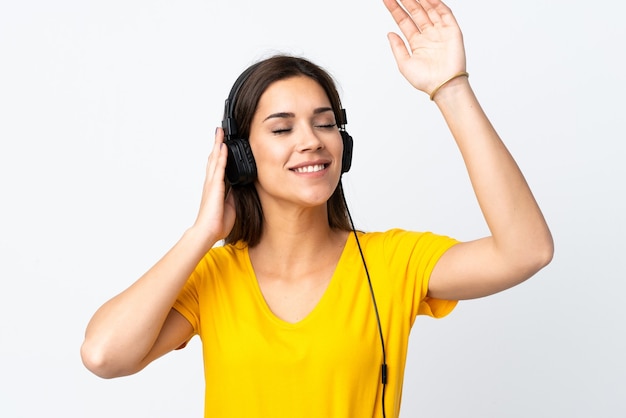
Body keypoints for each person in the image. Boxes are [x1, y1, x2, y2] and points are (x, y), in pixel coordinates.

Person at [80, 0, 554, 416]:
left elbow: (526, 250)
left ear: (342, 145)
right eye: (282, 129)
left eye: (324, 124)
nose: (310, 141)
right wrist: (202, 233)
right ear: (242, 155)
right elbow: (103, 354)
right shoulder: (213, 278)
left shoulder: (391, 264)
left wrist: (450, 88)